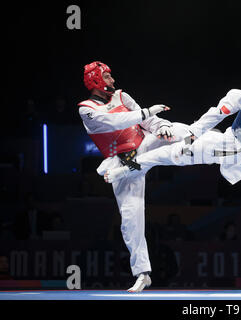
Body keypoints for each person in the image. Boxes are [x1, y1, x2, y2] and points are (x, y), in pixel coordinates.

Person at [104, 52, 241, 270]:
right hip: (227, 146)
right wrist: (192, 137)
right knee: (168, 154)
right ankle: (124, 169)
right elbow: (216, 114)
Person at [78, 61, 187, 292]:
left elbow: (147, 121)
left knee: (177, 129)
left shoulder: (122, 96)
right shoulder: (86, 108)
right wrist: (146, 112)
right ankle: (143, 273)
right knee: (130, 220)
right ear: (96, 80)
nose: (113, 81)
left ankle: (229, 144)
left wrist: (161, 126)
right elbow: (114, 122)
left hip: (145, 144)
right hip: (123, 164)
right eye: (107, 77)